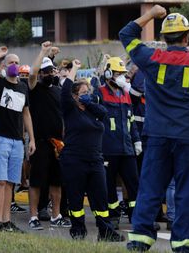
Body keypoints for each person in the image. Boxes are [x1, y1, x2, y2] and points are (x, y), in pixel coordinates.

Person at [120, 7, 189, 252]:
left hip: (156, 135)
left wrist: (151, 13)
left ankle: (140, 240)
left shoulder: (150, 57)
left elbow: (126, 34)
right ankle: (183, 243)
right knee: (187, 191)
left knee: (150, 188)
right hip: (187, 136)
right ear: (187, 37)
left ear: (165, 37)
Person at [60, 58, 124, 242]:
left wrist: (88, 102)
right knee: (76, 198)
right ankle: (78, 230)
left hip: (95, 160)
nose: (87, 94)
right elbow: (65, 91)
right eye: (83, 92)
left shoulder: (93, 110)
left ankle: (105, 232)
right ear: (75, 96)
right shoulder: (70, 110)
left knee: (100, 198)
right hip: (74, 160)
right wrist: (74, 69)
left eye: (89, 91)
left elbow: (104, 113)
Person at [0, 52, 36, 233]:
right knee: (0, 182)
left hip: (17, 140)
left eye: (17, 62)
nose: (15, 65)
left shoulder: (23, 87)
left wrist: (31, 139)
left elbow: (26, 113)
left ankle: (7, 221)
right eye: (11, 63)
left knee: (10, 183)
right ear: (4, 66)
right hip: (0, 138)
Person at [27, 41, 70, 230]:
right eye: (47, 72)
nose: (50, 74)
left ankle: (56, 215)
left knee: (56, 182)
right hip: (40, 142)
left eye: (52, 71)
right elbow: (32, 73)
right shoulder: (34, 88)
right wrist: (43, 51)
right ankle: (34, 216)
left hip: (57, 144)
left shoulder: (57, 91)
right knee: (36, 182)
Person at [96, 56, 140, 227]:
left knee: (133, 183)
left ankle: (135, 215)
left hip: (126, 148)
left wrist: (136, 140)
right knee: (109, 184)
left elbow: (131, 121)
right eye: (117, 73)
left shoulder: (126, 95)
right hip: (108, 148)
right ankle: (113, 216)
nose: (122, 77)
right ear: (108, 74)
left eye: (123, 73)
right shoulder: (99, 93)